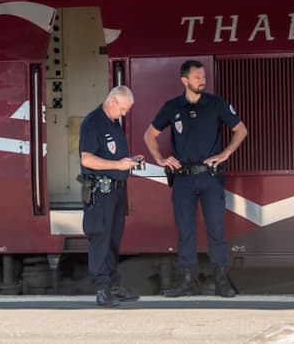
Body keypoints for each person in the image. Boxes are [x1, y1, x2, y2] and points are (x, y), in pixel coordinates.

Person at [143, 60, 247, 298]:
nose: (203, 80)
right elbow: (149, 135)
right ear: (185, 81)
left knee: (216, 230)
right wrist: (160, 158)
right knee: (185, 231)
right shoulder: (172, 107)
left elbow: (241, 130)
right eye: (198, 77)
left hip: (210, 177)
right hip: (183, 179)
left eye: (203, 76)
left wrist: (226, 153)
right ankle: (187, 281)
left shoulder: (216, 103)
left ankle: (222, 282)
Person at [79, 85, 143, 307]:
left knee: (113, 240)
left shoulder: (114, 123)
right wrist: (118, 164)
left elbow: (113, 156)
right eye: (123, 109)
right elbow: (86, 159)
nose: (124, 114)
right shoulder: (93, 122)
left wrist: (129, 161)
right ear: (113, 101)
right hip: (100, 191)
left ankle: (113, 286)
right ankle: (102, 289)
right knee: (100, 238)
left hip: (116, 190)